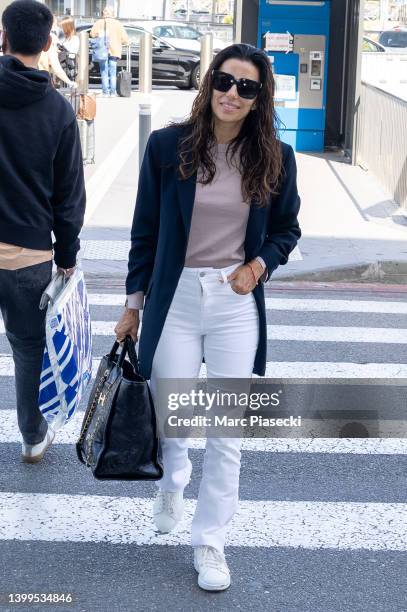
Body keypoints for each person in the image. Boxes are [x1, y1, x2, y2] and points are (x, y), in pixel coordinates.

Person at [115, 43, 301, 591]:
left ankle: (211, 542)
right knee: (172, 415)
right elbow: (144, 232)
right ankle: (173, 477)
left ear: (259, 97)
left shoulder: (276, 157)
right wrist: (132, 306)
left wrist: (259, 265)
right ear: (209, 82)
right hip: (174, 299)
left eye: (247, 87)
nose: (232, 94)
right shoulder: (167, 147)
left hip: (233, 301)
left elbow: (287, 230)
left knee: (226, 432)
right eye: (225, 81)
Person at [0, 0, 86, 463]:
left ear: (3, 37)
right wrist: (67, 254)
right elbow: (68, 197)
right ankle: (32, 435)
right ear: (49, 43)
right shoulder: (57, 112)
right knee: (28, 348)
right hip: (27, 253)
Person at [90, 6, 129, 97]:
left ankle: (105, 92)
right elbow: (124, 38)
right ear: (112, 13)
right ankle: (113, 92)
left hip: (102, 50)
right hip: (114, 50)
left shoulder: (99, 22)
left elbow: (92, 34)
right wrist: (124, 42)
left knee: (104, 72)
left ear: (104, 13)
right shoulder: (117, 23)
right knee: (113, 72)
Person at [58, 15, 79, 82]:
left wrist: (61, 50)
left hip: (68, 66)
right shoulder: (64, 38)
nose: (61, 29)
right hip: (64, 64)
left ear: (67, 27)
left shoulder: (75, 38)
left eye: (62, 27)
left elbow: (72, 54)